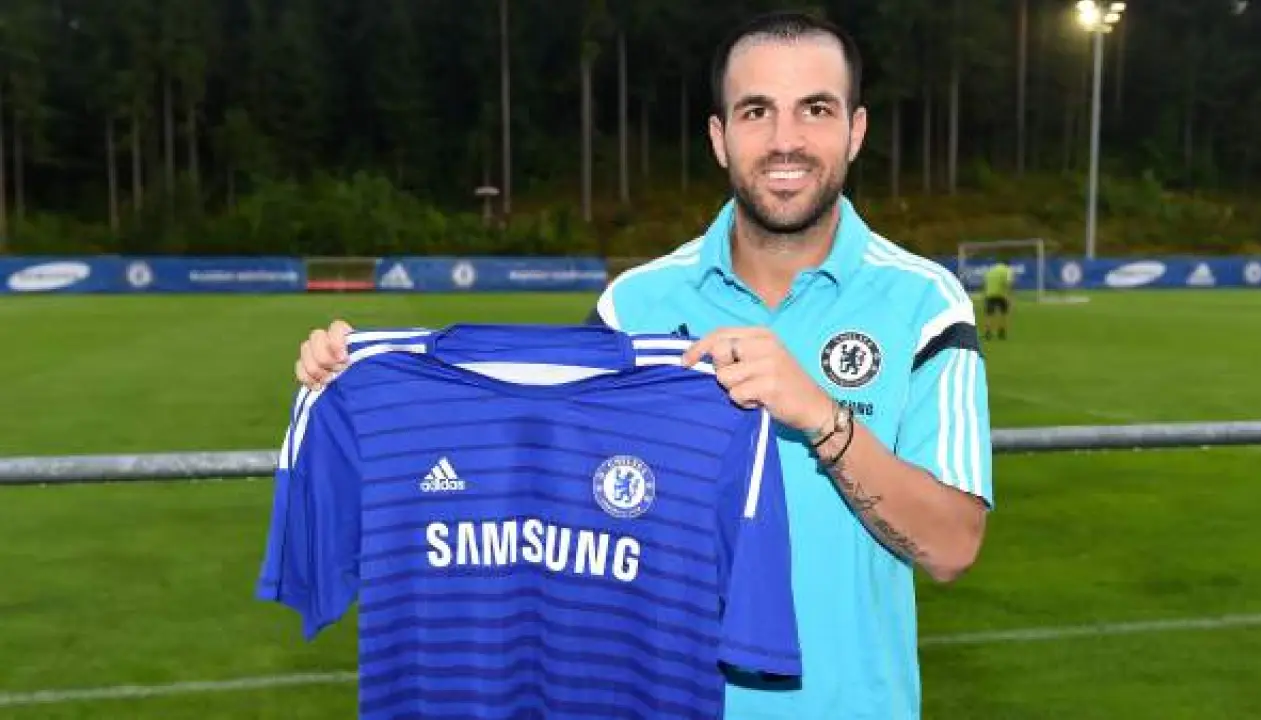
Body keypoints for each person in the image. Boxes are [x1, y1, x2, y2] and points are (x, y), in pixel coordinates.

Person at [294, 11, 993, 720]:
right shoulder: (633, 306)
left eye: (816, 109)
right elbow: (540, 483)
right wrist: (357, 379)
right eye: (756, 111)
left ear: (856, 130)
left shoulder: (925, 304)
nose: (786, 139)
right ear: (719, 138)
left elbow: (951, 546)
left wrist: (818, 415)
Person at [982, 261, 1014, 340]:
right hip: (1001, 295)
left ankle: (988, 332)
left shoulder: (991, 270)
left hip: (989, 294)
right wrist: (1009, 296)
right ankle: (1001, 332)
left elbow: (985, 283)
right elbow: (1008, 283)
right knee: (1003, 314)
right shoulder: (1007, 270)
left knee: (989, 314)